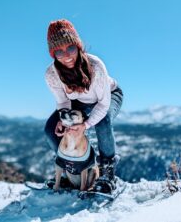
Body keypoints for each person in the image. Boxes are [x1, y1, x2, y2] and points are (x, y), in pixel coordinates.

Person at [44, 19, 123, 193]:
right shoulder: (52, 75)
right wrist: (63, 121)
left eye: (70, 48)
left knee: (103, 121)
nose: (67, 56)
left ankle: (107, 173)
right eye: (59, 52)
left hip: (107, 97)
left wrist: (85, 125)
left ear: (78, 46)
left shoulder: (95, 66)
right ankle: (67, 168)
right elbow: (64, 102)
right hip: (77, 103)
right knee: (51, 129)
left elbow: (103, 105)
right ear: (53, 54)